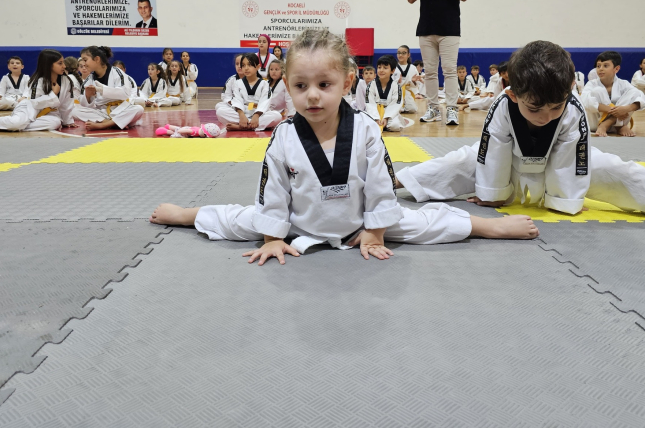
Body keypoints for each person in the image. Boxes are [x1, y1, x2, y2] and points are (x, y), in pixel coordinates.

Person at [149, 28, 539, 266]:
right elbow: (272, 192)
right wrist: (272, 238)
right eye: (300, 86)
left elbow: (382, 185)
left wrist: (375, 230)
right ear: (287, 86)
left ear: (347, 83)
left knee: (424, 223)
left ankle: (488, 226)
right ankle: (186, 215)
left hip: (361, 222)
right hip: (297, 223)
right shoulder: (284, 135)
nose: (312, 96)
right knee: (239, 220)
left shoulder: (366, 129)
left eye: (324, 85)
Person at [394, 41, 645, 221]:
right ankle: (394, 180)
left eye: (555, 107)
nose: (546, 117)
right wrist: (492, 193)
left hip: (561, 167)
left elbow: (572, 156)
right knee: (459, 161)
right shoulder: (502, 104)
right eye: (534, 108)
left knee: (618, 169)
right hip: (509, 166)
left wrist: (566, 199)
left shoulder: (573, 107)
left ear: (569, 90)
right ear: (514, 95)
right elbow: (493, 151)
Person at [408, 0, 469, 125]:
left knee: (449, 70)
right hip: (426, 29)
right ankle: (433, 109)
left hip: (449, 29)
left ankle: (451, 109)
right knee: (430, 72)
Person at [0, 50, 77, 133]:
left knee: (56, 123)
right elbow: (35, 103)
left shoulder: (66, 81)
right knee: (18, 122)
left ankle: (7, 125)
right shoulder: (37, 81)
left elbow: (67, 102)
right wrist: (53, 94)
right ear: (48, 65)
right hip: (28, 108)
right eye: (60, 63)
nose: (64, 66)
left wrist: (67, 121)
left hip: (49, 114)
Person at [76, 46, 145, 130]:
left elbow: (125, 93)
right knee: (75, 111)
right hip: (103, 113)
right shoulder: (89, 79)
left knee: (138, 109)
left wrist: (102, 90)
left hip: (120, 109)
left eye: (85, 60)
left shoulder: (117, 72)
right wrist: (87, 96)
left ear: (97, 59)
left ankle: (103, 125)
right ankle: (112, 123)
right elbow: (84, 104)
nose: (84, 64)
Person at [581, 51, 645, 137]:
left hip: (618, 122)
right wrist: (614, 110)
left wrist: (626, 108)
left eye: (605, 66)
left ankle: (610, 125)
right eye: (598, 66)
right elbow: (585, 101)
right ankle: (610, 125)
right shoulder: (591, 84)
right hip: (595, 124)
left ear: (616, 69)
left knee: (634, 92)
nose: (601, 69)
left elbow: (641, 98)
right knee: (597, 91)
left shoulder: (623, 84)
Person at [215, 53, 281, 132]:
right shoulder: (237, 83)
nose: (246, 68)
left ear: (258, 67)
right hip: (243, 112)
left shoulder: (264, 84)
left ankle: (242, 126)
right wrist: (241, 115)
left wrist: (256, 115)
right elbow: (237, 100)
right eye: (243, 65)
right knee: (220, 111)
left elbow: (265, 102)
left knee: (277, 116)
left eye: (249, 65)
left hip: (259, 113)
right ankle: (252, 125)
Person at [366, 55, 413, 132]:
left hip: (390, 112)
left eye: (385, 68)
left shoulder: (396, 86)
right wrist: (376, 118)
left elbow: (396, 103)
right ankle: (380, 123)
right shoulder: (371, 85)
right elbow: (369, 102)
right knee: (366, 125)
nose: (381, 70)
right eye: (379, 67)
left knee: (395, 126)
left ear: (392, 71)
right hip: (375, 111)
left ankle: (388, 122)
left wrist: (386, 117)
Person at [394, 45, 420, 114]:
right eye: (399, 53)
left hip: (407, 92)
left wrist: (413, 81)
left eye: (403, 53)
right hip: (395, 92)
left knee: (412, 109)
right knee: (396, 109)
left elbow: (416, 85)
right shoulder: (393, 67)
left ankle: (402, 108)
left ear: (408, 55)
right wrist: (397, 82)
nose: (400, 55)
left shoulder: (413, 68)